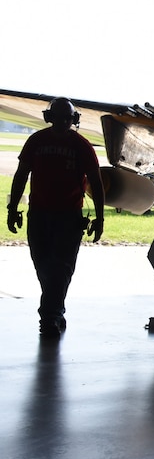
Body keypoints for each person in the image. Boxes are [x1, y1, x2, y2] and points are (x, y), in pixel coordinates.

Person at [6, 97, 105, 337]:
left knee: (59, 268)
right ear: (49, 118)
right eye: (58, 118)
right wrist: (12, 210)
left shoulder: (82, 146)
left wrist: (100, 219)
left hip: (68, 218)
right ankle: (55, 311)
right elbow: (20, 176)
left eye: (66, 119)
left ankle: (49, 317)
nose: (62, 122)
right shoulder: (36, 141)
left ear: (73, 120)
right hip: (39, 215)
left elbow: (96, 182)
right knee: (44, 266)